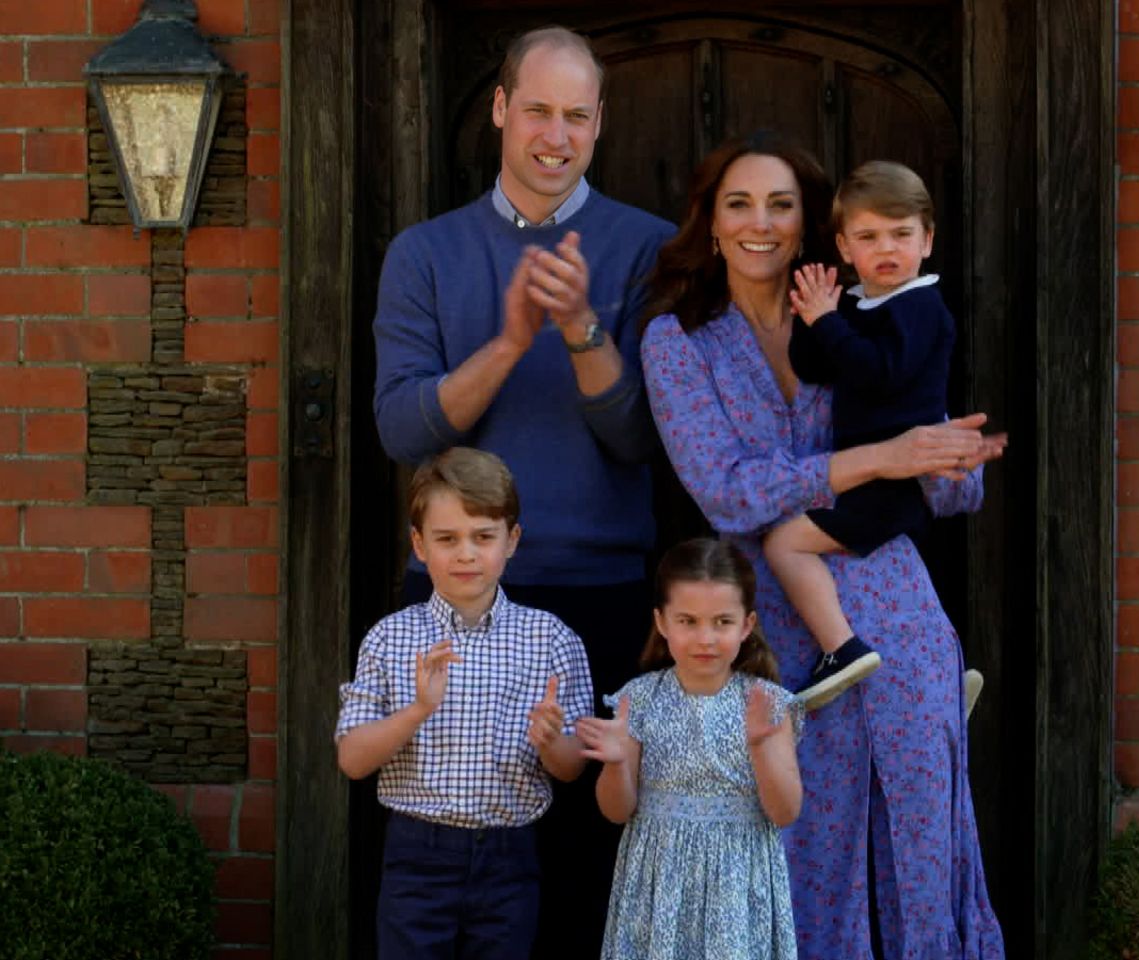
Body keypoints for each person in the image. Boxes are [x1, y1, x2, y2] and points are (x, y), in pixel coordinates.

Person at [641, 131, 1007, 959]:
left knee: (920, 844)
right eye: (739, 204)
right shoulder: (678, 341)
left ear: (810, 227)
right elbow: (725, 490)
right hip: (771, 631)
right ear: (712, 221)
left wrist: (951, 461)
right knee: (794, 846)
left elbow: (950, 488)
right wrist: (880, 458)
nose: (760, 223)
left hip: (898, 615)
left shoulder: (869, 315)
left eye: (780, 205)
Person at [370, 26, 674, 956]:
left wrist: (581, 326)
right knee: (462, 864)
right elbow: (404, 431)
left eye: (576, 115)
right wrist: (507, 341)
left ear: (599, 124)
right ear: (500, 108)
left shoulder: (648, 248)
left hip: (606, 596)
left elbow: (639, 440)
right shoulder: (424, 253)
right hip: (459, 600)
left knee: (588, 864)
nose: (556, 134)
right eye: (537, 109)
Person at [334, 448, 593, 959]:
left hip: (508, 855)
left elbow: (571, 771)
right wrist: (417, 711)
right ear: (419, 545)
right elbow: (352, 759)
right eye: (447, 539)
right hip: (416, 853)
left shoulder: (551, 640)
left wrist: (550, 743)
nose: (466, 554)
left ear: (511, 541)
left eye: (483, 537)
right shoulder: (391, 638)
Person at [766, 160, 995, 709]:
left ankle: (840, 649)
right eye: (868, 237)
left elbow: (878, 371)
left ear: (928, 239)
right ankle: (938, 682)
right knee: (897, 590)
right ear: (845, 248)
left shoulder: (921, 308)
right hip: (871, 472)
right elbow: (815, 366)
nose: (886, 249)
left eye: (901, 234)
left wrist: (828, 321)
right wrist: (812, 314)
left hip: (895, 479)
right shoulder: (858, 304)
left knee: (785, 542)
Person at [576, 538, 804, 960]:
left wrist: (760, 747)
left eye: (722, 622)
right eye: (688, 621)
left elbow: (785, 811)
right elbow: (617, 810)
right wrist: (615, 764)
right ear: (662, 622)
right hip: (658, 882)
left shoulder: (768, 703)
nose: (706, 638)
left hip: (737, 882)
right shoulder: (638, 700)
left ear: (747, 624)